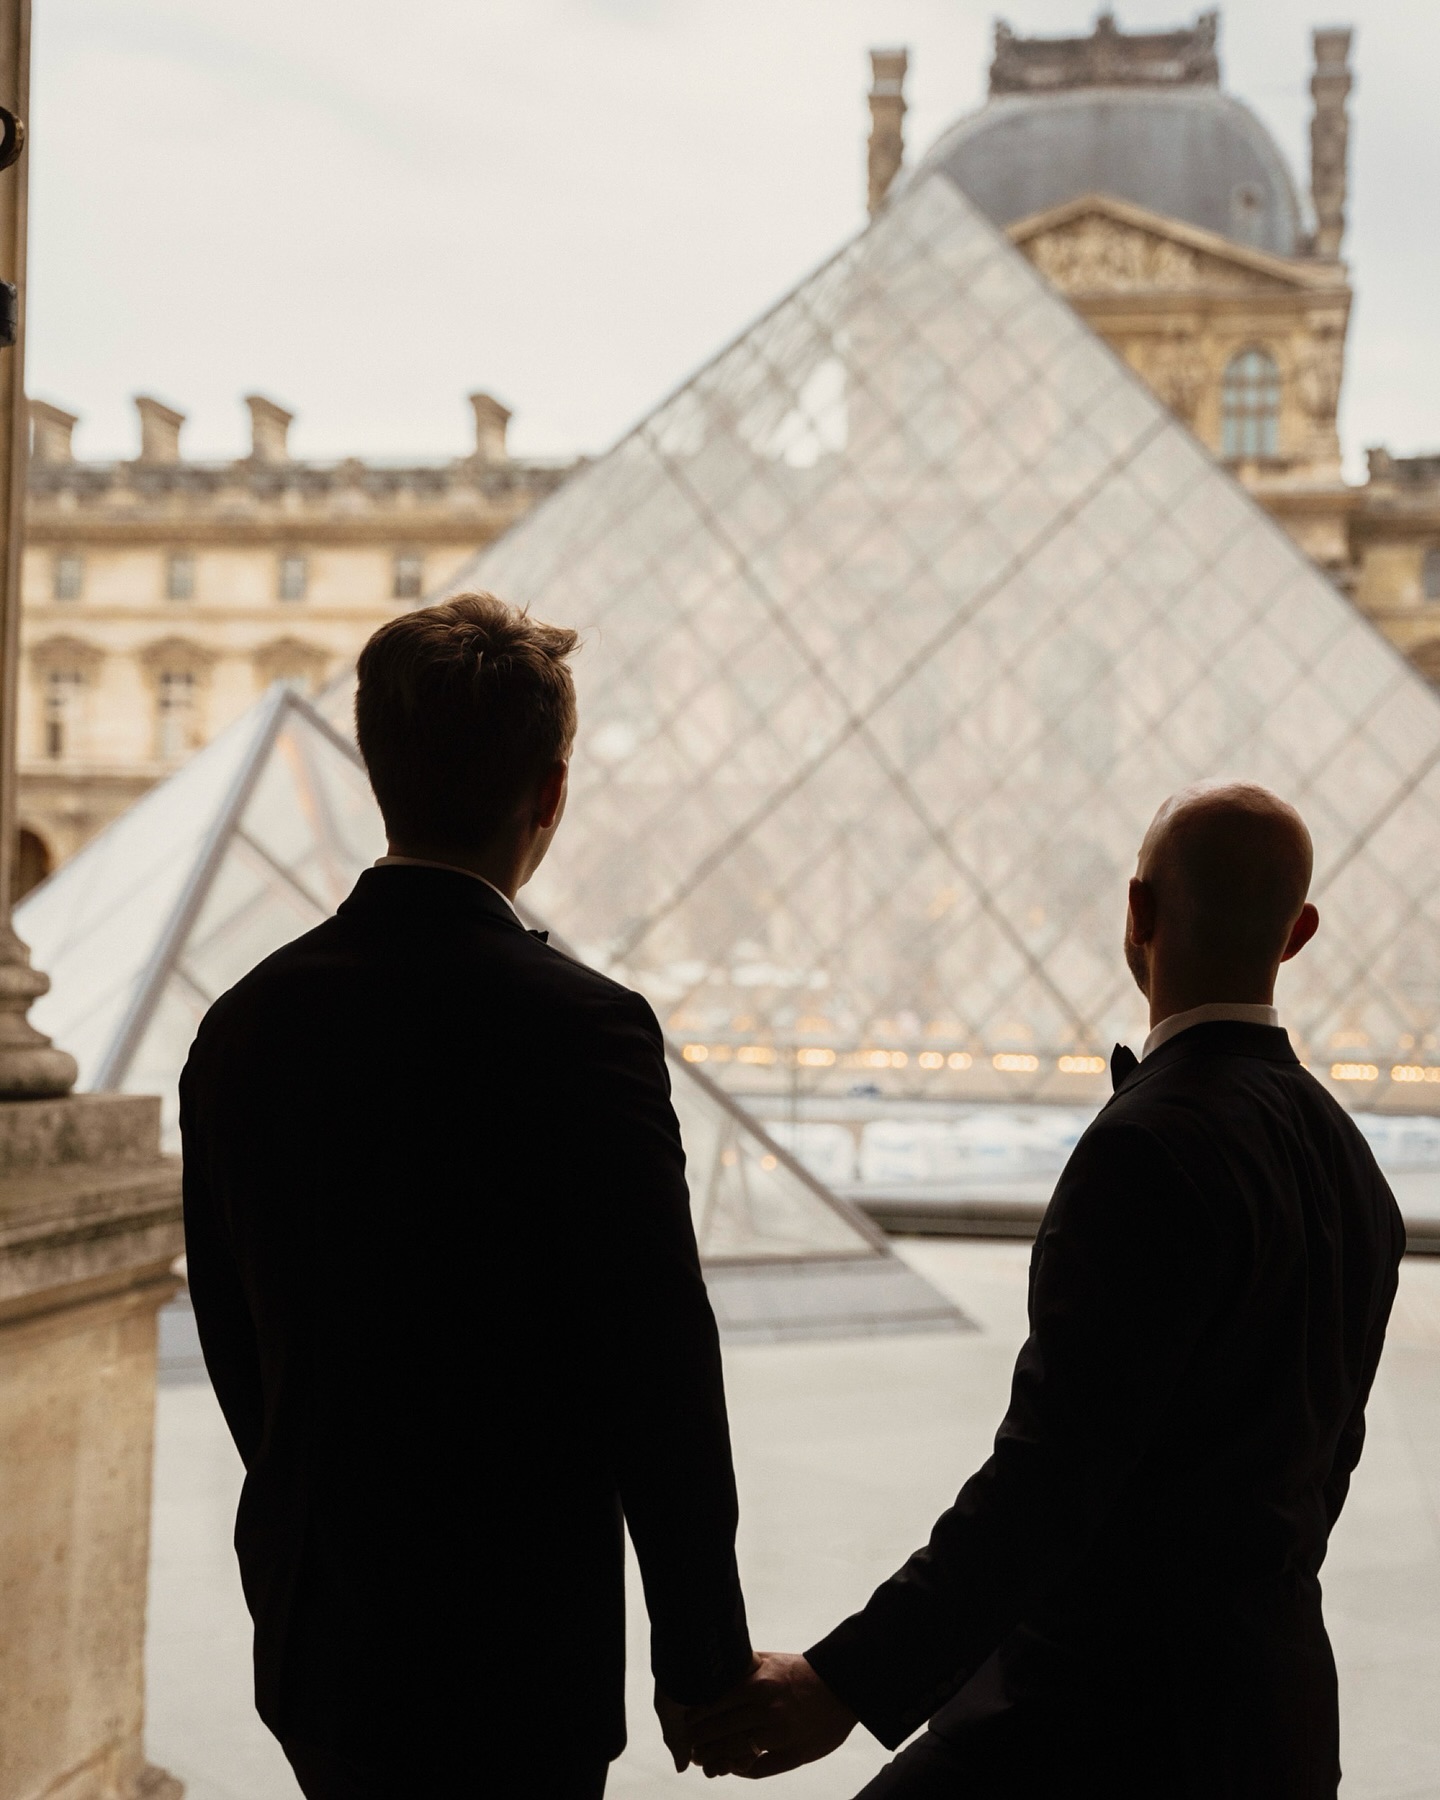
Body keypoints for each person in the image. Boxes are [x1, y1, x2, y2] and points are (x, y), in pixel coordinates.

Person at [685, 782, 1404, 1799]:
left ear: (1138, 914)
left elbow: (1048, 1483)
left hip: (1100, 1720)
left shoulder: (1145, 1148)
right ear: (1299, 934)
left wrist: (841, 1684)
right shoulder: (1350, 1164)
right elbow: (1326, 1466)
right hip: (1272, 1720)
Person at [180, 592, 752, 1798]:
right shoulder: (588, 1030)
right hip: (519, 1647)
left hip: (321, 1634)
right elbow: (659, 1366)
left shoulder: (241, 1028)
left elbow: (242, 1352)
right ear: (549, 795)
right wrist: (703, 1658)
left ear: (375, 771)